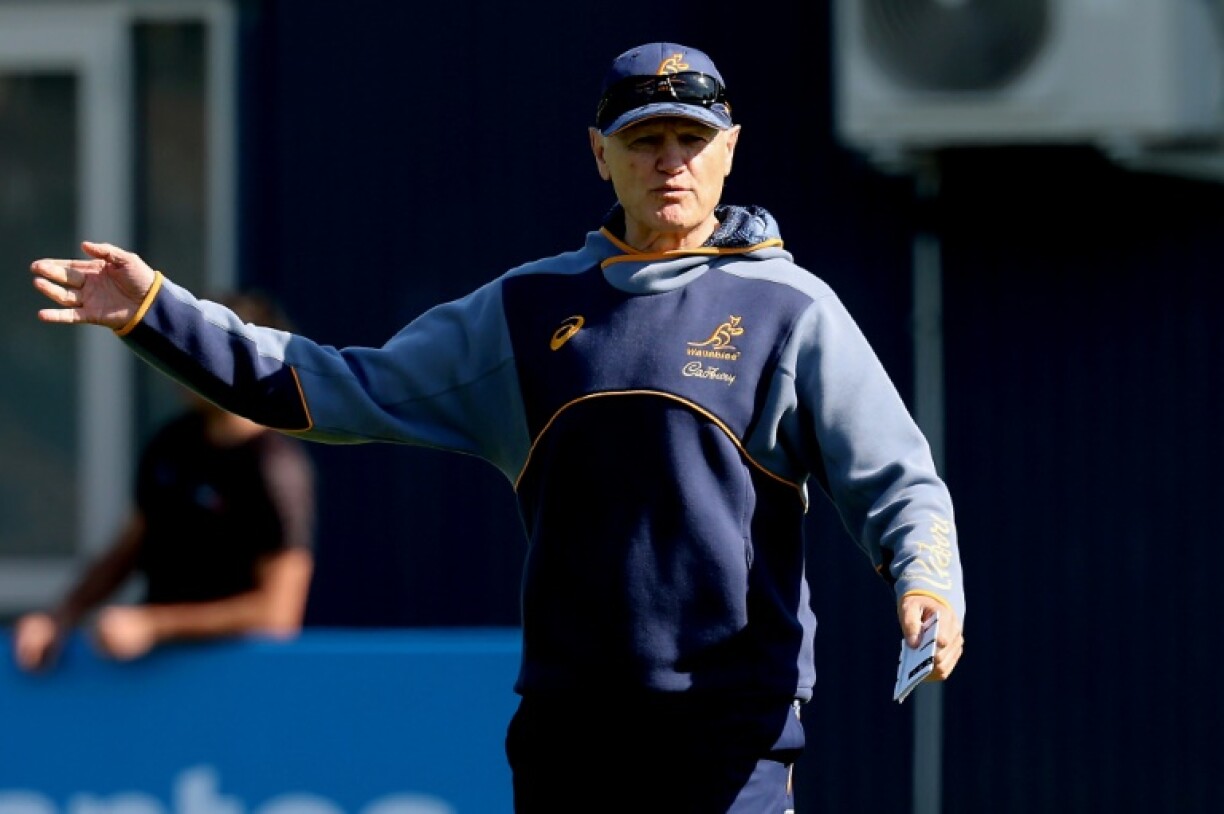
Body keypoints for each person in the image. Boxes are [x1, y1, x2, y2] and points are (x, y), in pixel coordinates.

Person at [28, 41, 964, 813]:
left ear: (729, 150)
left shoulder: (792, 308)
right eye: (644, 141)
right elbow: (331, 387)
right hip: (569, 733)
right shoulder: (524, 310)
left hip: (731, 734)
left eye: (690, 138)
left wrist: (927, 581)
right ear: (600, 152)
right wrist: (156, 312)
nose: (669, 161)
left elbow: (896, 479)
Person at [13, 291, 316, 673]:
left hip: (237, 684)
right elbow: (130, 548)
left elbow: (277, 614)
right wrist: (61, 616)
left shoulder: (275, 469)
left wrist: (155, 626)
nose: (178, 362)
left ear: (240, 362)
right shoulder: (172, 442)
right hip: (154, 682)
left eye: (196, 349)